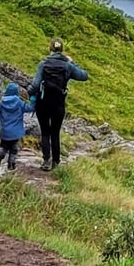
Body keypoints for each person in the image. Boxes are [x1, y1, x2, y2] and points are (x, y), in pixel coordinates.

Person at [28, 38, 89, 171]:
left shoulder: (43, 64)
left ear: (50, 49)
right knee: (55, 132)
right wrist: (73, 62)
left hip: (43, 103)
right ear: (62, 50)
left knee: (45, 132)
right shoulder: (67, 66)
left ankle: (46, 161)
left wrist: (30, 94)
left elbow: (35, 85)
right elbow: (84, 76)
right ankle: (56, 161)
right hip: (58, 104)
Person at [0, 82, 35, 171]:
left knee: (4, 147)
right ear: (16, 92)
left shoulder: (2, 103)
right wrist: (33, 101)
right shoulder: (19, 102)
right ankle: (11, 165)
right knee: (14, 149)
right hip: (16, 132)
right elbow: (30, 108)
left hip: (5, 131)